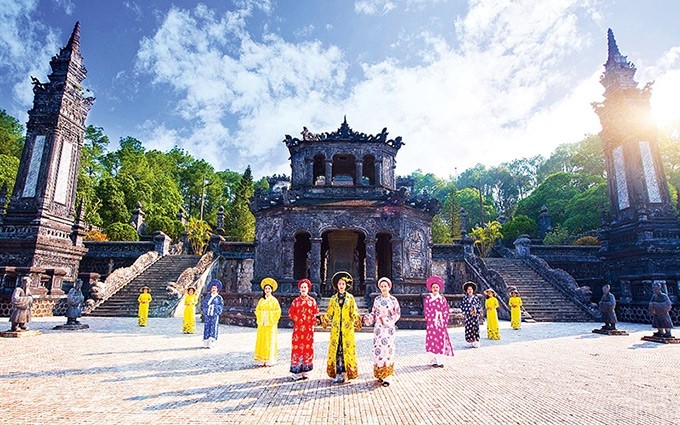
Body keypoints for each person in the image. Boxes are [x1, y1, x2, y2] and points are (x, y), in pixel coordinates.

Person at [321, 271, 360, 383]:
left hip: (347, 329)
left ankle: (346, 372)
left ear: (346, 285)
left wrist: (357, 319)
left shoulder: (350, 298)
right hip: (336, 328)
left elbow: (354, 311)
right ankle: (337, 372)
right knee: (337, 350)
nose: (341, 286)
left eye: (343, 284)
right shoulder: (333, 299)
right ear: (337, 286)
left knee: (346, 350)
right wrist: (323, 320)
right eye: (339, 284)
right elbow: (329, 313)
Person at [363, 277, 401, 386]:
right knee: (378, 349)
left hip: (388, 329)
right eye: (382, 286)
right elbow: (374, 313)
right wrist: (368, 318)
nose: (384, 288)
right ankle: (380, 373)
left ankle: (387, 376)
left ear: (389, 287)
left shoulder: (393, 300)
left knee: (388, 349)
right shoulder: (377, 300)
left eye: (386, 286)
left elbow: (397, 314)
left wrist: (387, 320)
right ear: (379, 287)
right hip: (378, 329)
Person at [289, 278, 319, 381]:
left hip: (308, 329)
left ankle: (306, 371)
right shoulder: (295, 301)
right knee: (297, 349)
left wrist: (312, 320)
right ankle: (296, 371)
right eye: (302, 287)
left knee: (308, 348)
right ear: (299, 289)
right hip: (298, 329)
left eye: (305, 287)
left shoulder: (312, 301)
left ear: (308, 289)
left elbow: (316, 313)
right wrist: (298, 319)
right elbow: (291, 313)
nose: (303, 289)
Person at [423, 275, 454, 368]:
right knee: (432, 339)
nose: (435, 289)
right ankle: (433, 360)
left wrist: (443, 318)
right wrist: (432, 318)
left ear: (439, 288)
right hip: (432, 323)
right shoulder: (428, 298)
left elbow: (446, 310)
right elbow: (426, 310)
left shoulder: (442, 299)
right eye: (433, 287)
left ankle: (440, 360)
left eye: (436, 287)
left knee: (440, 339)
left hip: (440, 322)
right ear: (431, 288)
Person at [254, 277, 282, 366]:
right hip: (262, 324)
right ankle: (261, 359)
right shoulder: (261, 300)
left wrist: (268, 315)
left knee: (270, 341)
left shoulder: (274, 301)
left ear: (271, 290)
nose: (267, 290)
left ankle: (270, 359)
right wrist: (262, 315)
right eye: (266, 289)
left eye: (269, 289)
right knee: (262, 340)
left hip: (270, 324)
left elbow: (278, 311)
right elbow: (257, 310)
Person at [202, 279, 225, 348]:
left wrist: (215, 309)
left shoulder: (219, 298)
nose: (213, 289)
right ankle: (206, 340)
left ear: (217, 289)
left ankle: (212, 341)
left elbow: (221, 305)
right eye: (212, 288)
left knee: (213, 326)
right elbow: (204, 304)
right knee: (207, 326)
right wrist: (206, 310)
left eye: (215, 288)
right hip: (208, 313)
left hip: (214, 314)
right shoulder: (208, 296)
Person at [460, 281, 483, 348]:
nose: (470, 291)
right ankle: (470, 341)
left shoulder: (476, 298)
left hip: (475, 315)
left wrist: (475, 309)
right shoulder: (465, 298)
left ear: (473, 290)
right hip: (468, 315)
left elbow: (479, 305)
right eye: (468, 289)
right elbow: (462, 306)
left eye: (471, 289)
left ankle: (476, 340)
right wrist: (467, 310)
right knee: (468, 328)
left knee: (475, 327)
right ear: (466, 291)